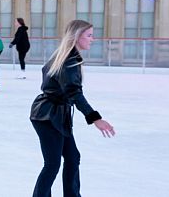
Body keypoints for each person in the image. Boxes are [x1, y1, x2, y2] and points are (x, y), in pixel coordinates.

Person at [30, 19, 115, 197]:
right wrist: (96, 119)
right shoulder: (69, 61)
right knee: (52, 164)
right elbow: (75, 93)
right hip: (48, 116)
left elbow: (48, 77)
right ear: (77, 37)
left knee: (72, 157)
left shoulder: (65, 56)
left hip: (54, 114)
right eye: (89, 35)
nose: (93, 39)